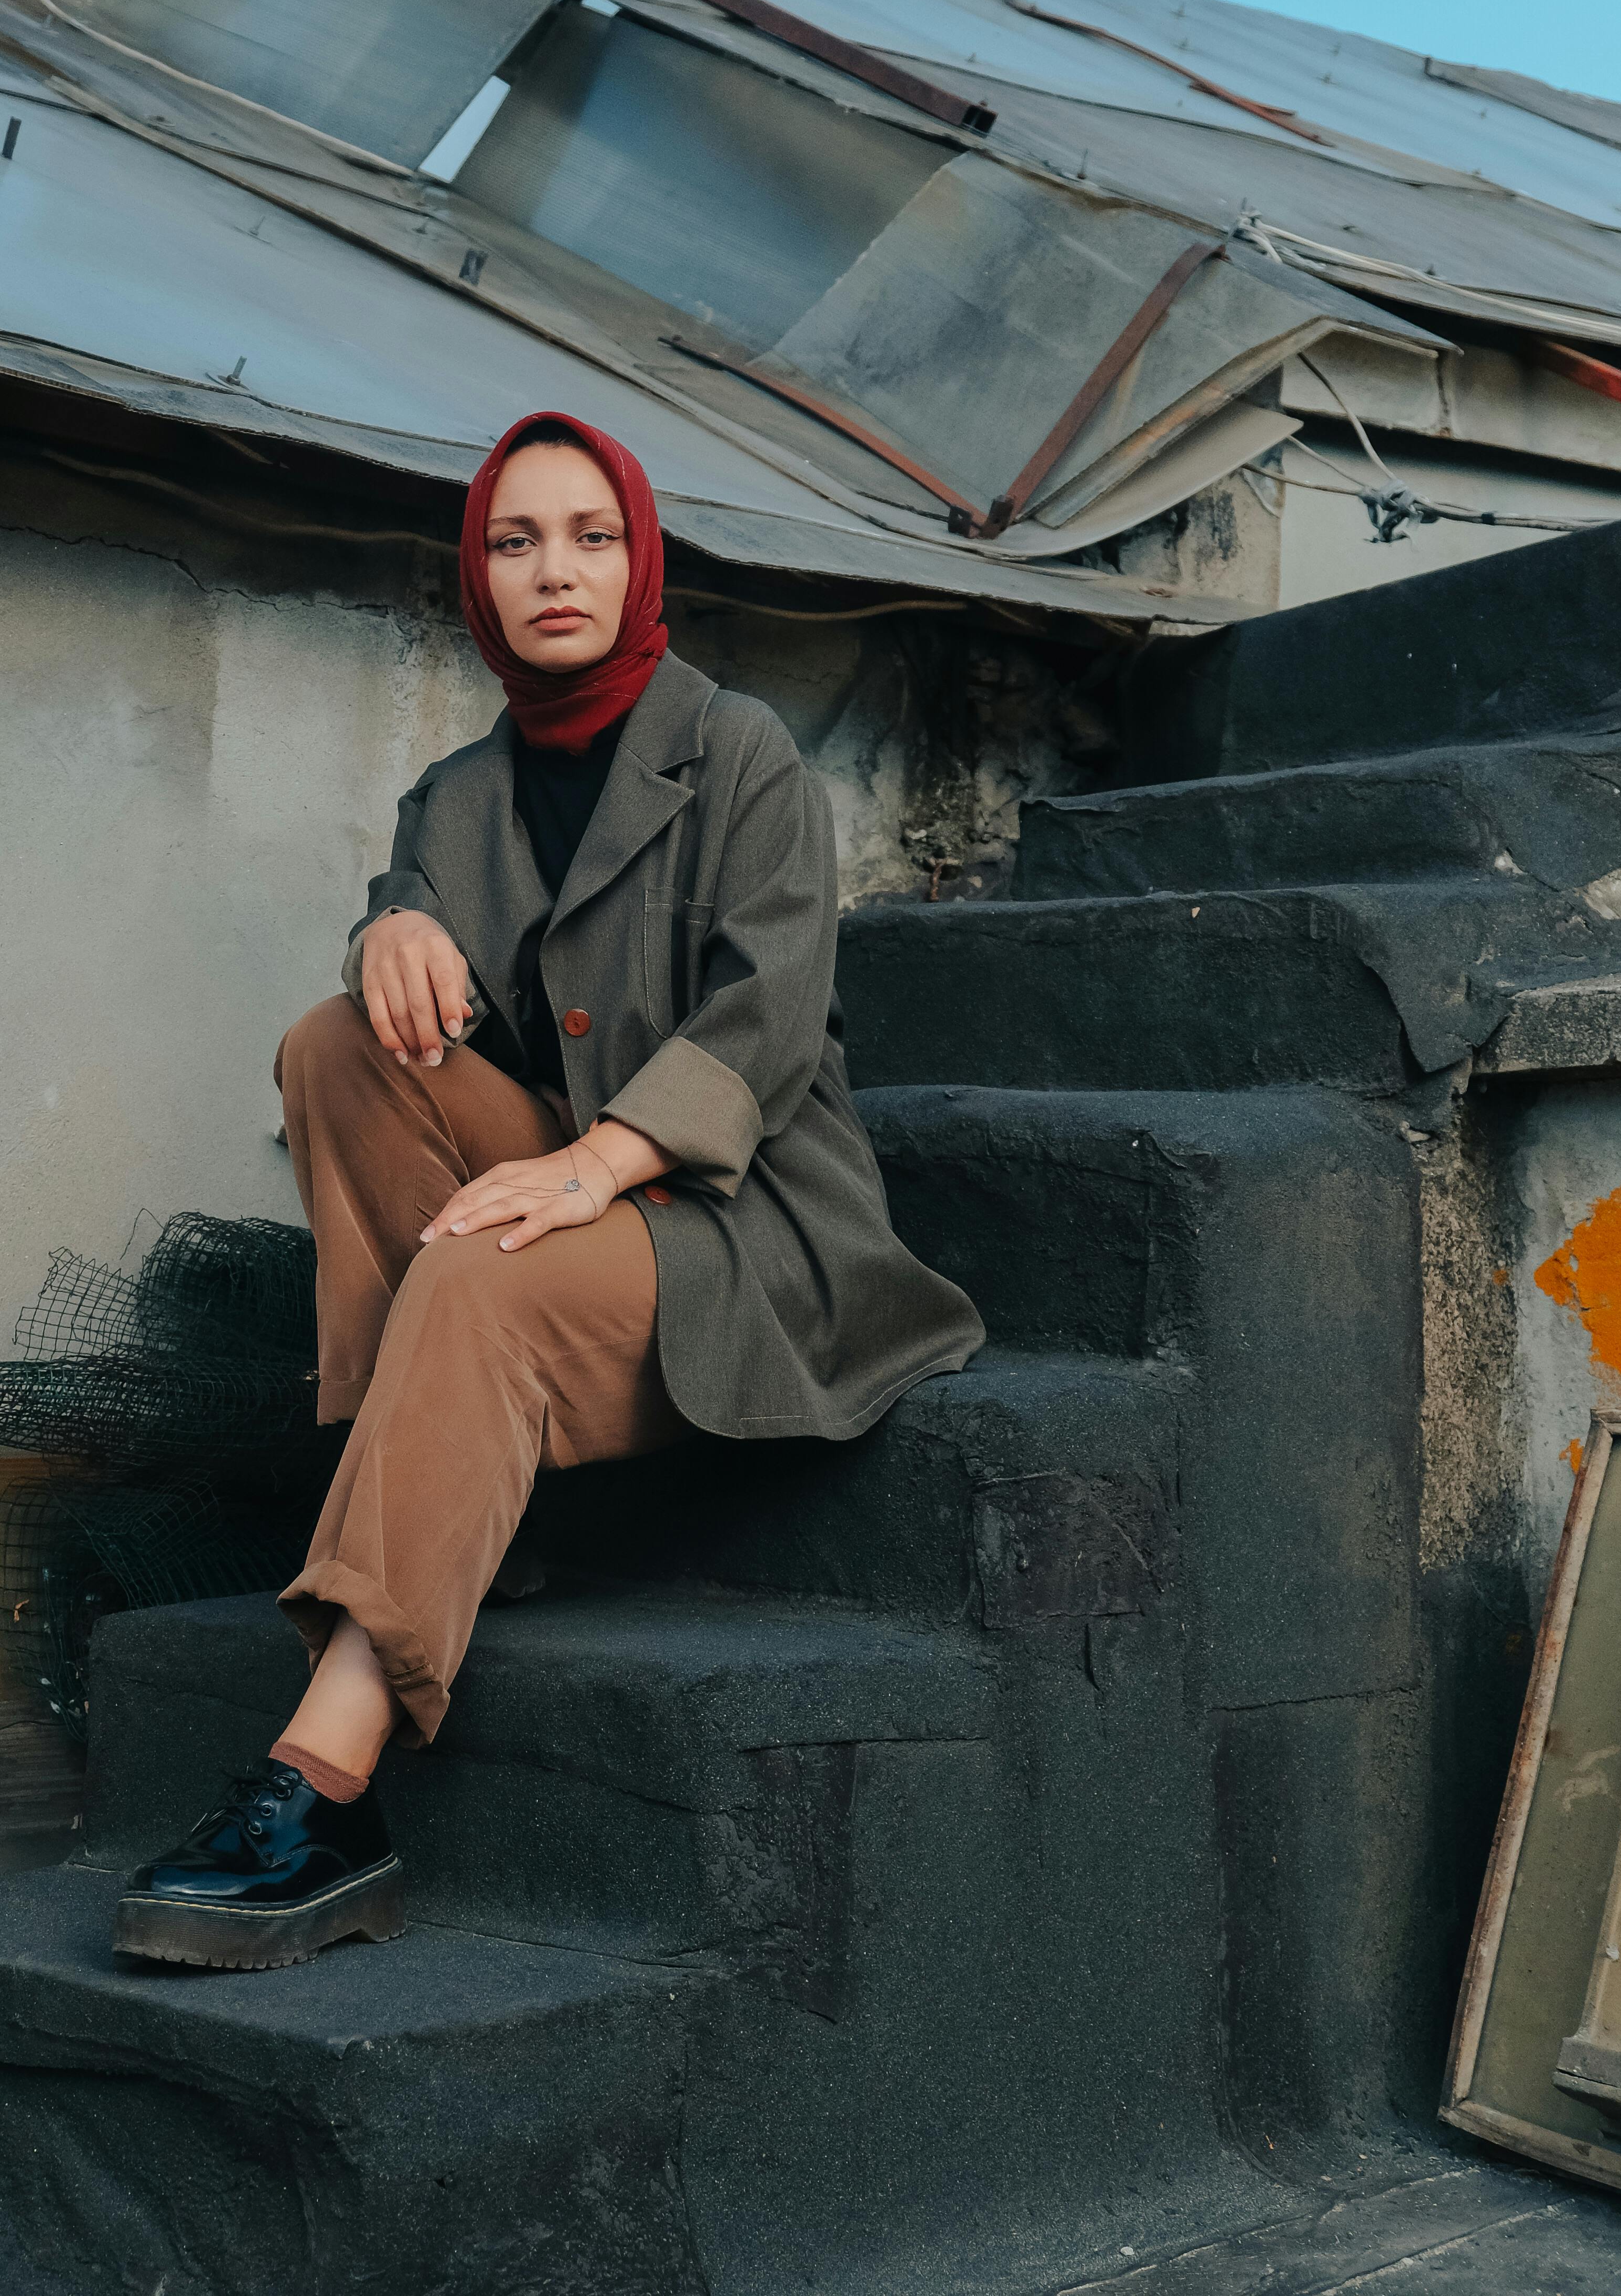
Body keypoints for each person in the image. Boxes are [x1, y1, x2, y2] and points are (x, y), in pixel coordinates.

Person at [112, 410, 984, 1971]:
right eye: (515, 542)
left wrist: (595, 1165)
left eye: (590, 535)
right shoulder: (455, 798)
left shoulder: (741, 755)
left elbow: (770, 1018)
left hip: (748, 1228)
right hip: (577, 1193)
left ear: (640, 558)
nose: (554, 571)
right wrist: (386, 927)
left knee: (479, 1274)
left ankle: (324, 1788)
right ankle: (459, 1518)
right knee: (334, 1048)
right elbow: (414, 942)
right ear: (479, 578)